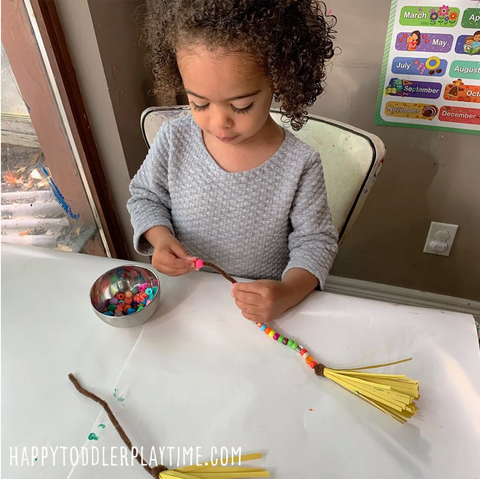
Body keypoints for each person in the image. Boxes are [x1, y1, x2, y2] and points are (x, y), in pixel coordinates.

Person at [127, 0, 339, 323]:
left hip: (260, 311)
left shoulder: (299, 164)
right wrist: (160, 237)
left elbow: (316, 241)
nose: (219, 122)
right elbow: (145, 197)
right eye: (199, 103)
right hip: (187, 303)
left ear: (278, 80)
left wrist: (286, 292)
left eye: (240, 106)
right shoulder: (174, 139)